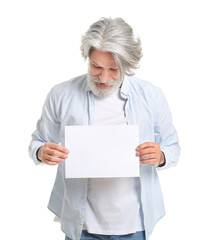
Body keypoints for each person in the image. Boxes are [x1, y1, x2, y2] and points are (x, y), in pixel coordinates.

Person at [29, 17, 180, 240]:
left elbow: (173, 147)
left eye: (113, 69)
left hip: (135, 224)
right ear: (87, 58)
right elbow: (38, 141)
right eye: (96, 67)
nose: (104, 77)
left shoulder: (151, 95)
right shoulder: (62, 94)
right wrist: (42, 152)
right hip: (81, 225)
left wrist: (161, 156)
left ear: (128, 65)